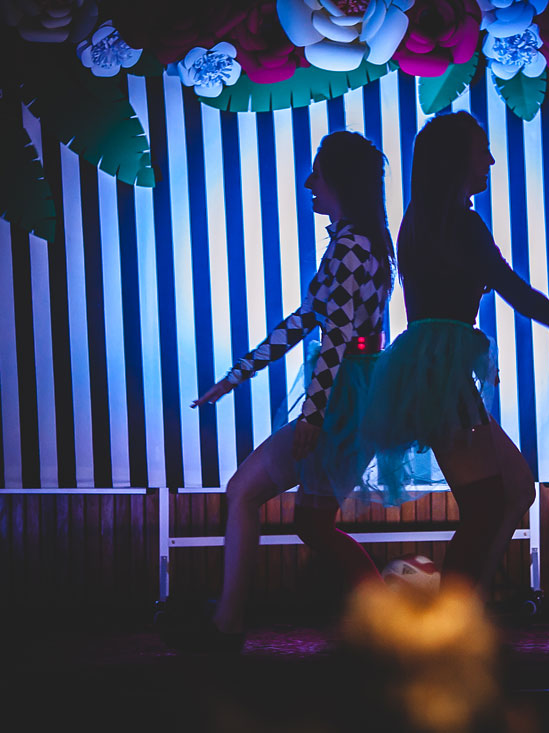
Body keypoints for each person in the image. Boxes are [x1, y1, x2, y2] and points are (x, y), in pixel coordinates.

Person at [362, 111, 549, 593]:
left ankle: (470, 604)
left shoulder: (421, 221)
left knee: (516, 489)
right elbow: (517, 294)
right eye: (481, 150)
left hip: (432, 368)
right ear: (455, 160)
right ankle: (453, 615)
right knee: (487, 504)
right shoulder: (460, 224)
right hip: (440, 374)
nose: (489, 160)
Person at [185, 130, 396, 651]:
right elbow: (307, 322)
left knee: (247, 494)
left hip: (344, 396)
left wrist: (313, 415)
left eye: (317, 173)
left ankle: (229, 623)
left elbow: (335, 338)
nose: (308, 183)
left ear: (339, 180)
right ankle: (388, 626)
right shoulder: (361, 244)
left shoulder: (350, 248)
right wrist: (236, 376)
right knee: (312, 523)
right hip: (356, 393)